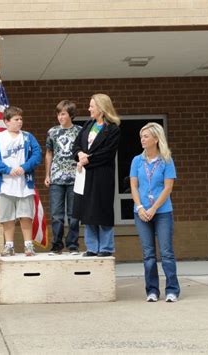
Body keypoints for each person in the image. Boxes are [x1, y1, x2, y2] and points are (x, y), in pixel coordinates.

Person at [130, 122, 180, 302]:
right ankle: (152, 291)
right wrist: (141, 207)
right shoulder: (137, 160)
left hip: (162, 212)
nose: (142, 139)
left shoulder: (166, 160)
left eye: (146, 136)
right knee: (148, 254)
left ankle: (172, 290)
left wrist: (154, 208)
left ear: (156, 139)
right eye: (141, 136)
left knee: (166, 253)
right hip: (142, 213)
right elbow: (134, 186)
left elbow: (168, 188)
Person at [0, 106, 42, 257]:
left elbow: (37, 155)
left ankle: (28, 245)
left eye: (21, 119)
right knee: (7, 216)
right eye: (16, 119)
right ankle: (9, 245)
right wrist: (7, 169)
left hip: (25, 184)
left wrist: (25, 167)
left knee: (26, 215)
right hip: (5, 184)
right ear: (6, 121)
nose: (20, 122)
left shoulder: (28, 137)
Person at [72, 93, 120, 257]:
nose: (89, 108)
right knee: (88, 210)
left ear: (101, 108)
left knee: (102, 209)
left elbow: (107, 153)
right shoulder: (88, 125)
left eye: (92, 106)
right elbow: (77, 144)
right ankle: (92, 247)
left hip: (102, 175)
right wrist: (79, 154)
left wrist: (87, 159)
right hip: (86, 175)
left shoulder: (112, 128)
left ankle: (105, 248)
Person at [44, 100, 82, 255]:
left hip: (75, 177)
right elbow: (49, 153)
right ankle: (57, 245)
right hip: (57, 178)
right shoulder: (52, 132)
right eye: (59, 114)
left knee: (74, 214)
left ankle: (72, 244)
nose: (60, 117)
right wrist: (47, 174)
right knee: (56, 214)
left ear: (70, 115)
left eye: (63, 114)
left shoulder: (79, 131)